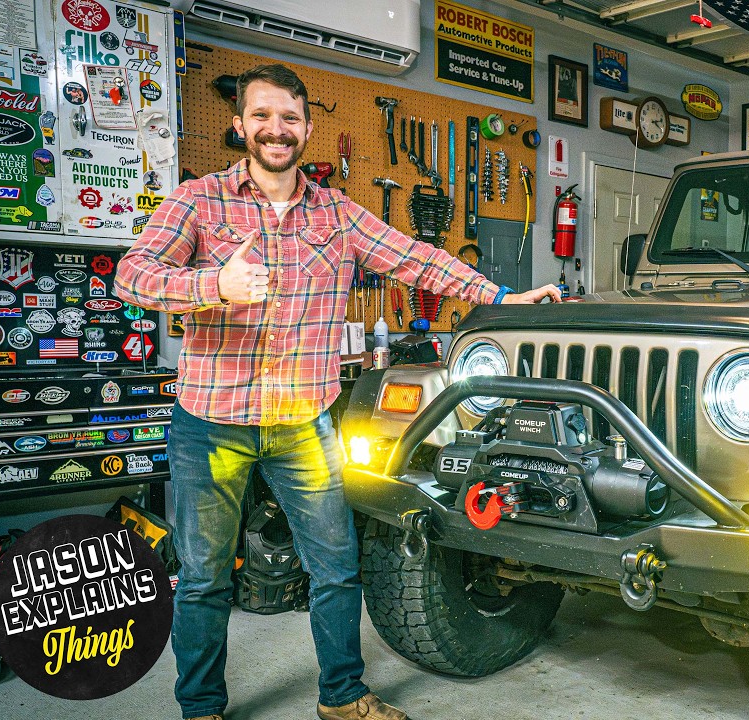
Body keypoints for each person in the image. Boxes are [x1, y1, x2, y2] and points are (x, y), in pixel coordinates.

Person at [114, 63, 560, 720]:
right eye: (261, 116)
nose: (276, 130)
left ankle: (343, 698)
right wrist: (213, 287)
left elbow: (417, 258)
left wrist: (501, 296)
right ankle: (201, 708)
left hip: (303, 424)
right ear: (238, 125)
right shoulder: (197, 201)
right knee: (205, 581)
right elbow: (132, 277)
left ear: (307, 129)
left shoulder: (336, 212)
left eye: (289, 118)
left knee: (336, 570)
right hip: (211, 424)